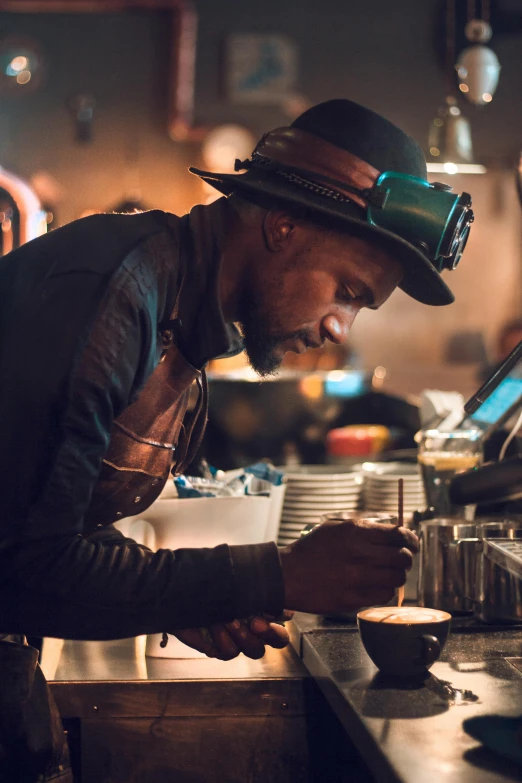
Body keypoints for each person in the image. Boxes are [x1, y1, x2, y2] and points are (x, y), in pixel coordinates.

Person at [0, 99, 472, 780]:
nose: (341, 326)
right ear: (282, 225)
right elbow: (27, 562)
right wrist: (274, 573)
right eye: (346, 290)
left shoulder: (181, 315)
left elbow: (43, 517)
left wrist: (197, 599)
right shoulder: (112, 299)